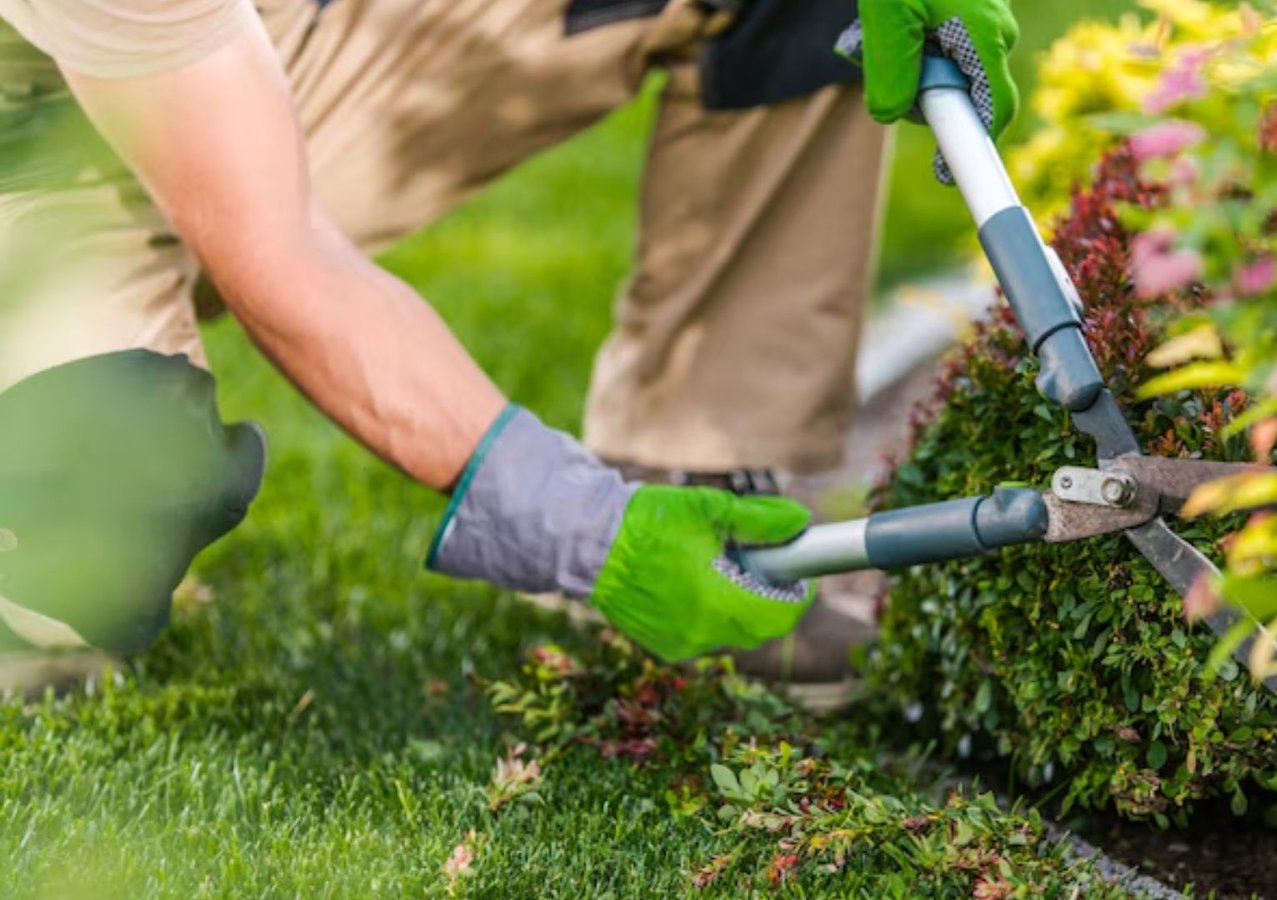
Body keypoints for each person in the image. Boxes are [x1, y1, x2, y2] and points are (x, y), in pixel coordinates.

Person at [0, 0, 1019, 694]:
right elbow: (283, 259)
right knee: (109, 514)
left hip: (260, 47)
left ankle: (697, 472)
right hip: (39, 174)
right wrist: (580, 529)